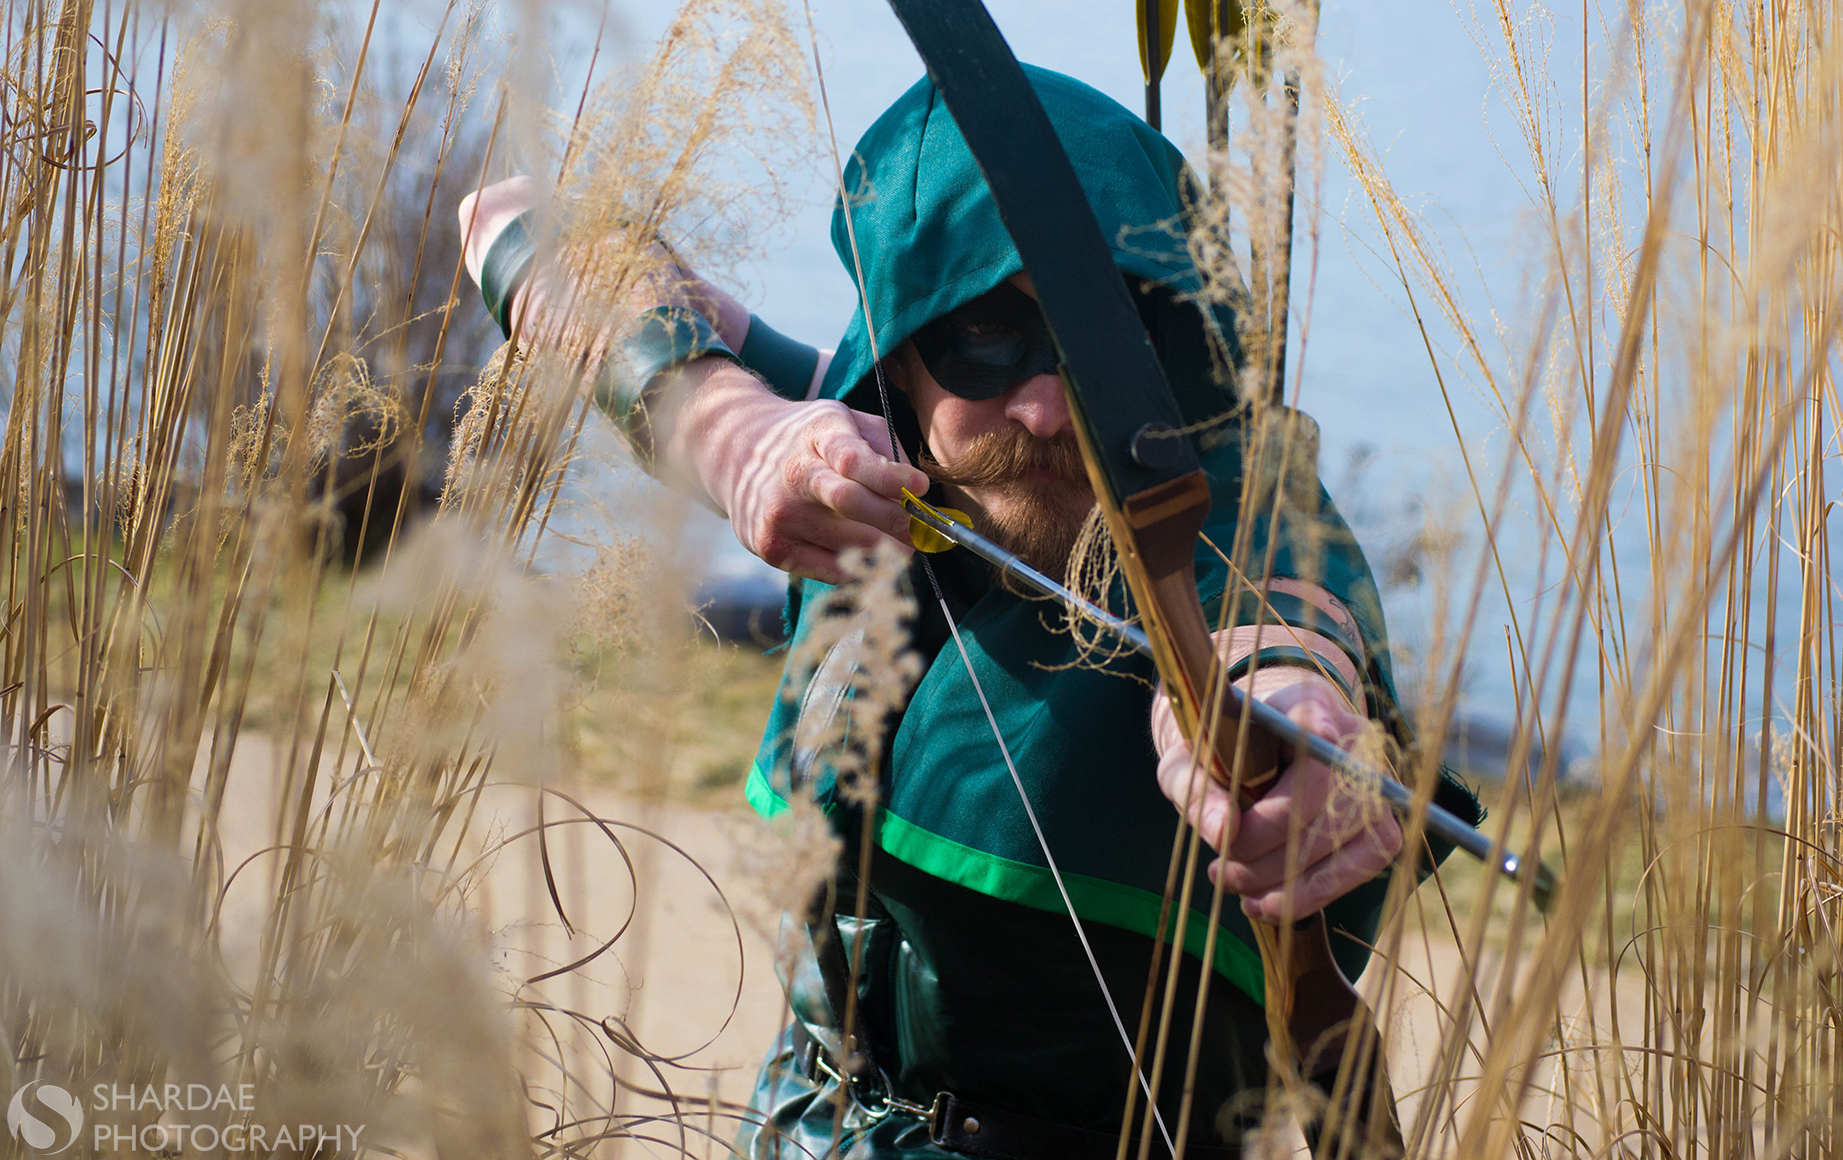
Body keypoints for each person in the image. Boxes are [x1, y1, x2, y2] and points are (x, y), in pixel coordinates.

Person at [459, 66, 1480, 1158]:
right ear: (899, 348)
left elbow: (1282, 621)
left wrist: (1290, 721)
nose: (1045, 407)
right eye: (986, 331)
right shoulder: (863, 453)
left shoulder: (1230, 504)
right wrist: (729, 424)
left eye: (1097, 336)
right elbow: (504, 221)